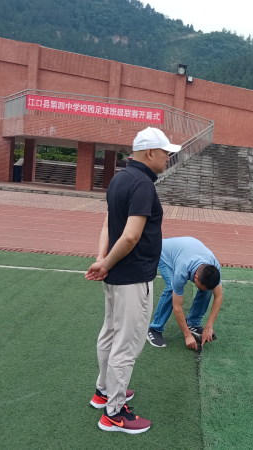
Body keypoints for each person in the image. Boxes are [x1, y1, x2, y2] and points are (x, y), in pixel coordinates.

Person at [85, 127, 181, 434]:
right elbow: (130, 236)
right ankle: (113, 413)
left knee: (110, 334)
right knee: (126, 345)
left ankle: (103, 392)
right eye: (166, 152)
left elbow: (107, 225)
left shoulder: (120, 178)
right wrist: (105, 263)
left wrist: (103, 260)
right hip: (133, 277)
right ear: (150, 152)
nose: (168, 158)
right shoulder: (142, 184)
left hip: (116, 275)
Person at [147, 237, 223, 350]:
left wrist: (209, 326)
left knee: (207, 290)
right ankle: (154, 328)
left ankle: (193, 323)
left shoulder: (214, 266)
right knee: (171, 289)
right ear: (196, 277)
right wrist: (187, 335)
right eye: (201, 287)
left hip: (186, 251)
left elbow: (219, 296)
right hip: (163, 253)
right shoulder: (181, 271)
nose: (202, 290)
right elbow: (177, 307)